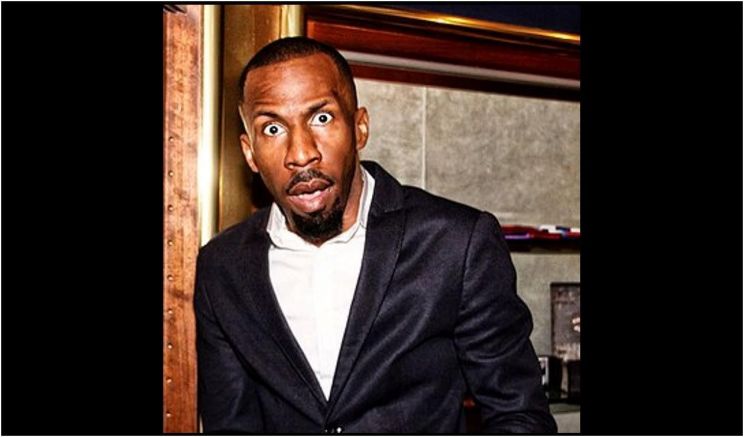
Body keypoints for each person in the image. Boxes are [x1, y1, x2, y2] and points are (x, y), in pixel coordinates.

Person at [194, 36, 557, 434]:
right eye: (273, 128)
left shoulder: (456, 243)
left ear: (359, 128)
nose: (300, 153)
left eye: (321, 118)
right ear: (250, 152)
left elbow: (520, 417)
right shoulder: (222, 267)